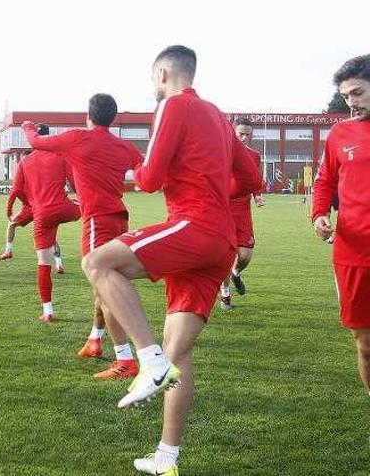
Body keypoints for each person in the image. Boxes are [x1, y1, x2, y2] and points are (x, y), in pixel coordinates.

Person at [80, 46, 261, 475]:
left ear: (162, 74)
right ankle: (166, 459)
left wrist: (138, 172)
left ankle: (148, 360)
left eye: (152, 81)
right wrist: (213, 183)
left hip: (194, 225)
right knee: (181, 357)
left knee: (97, 263)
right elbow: (252, 177)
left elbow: (150, 178)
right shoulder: (219, 116)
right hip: (221, 243)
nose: (153, 88)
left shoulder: (173, 105)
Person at [22, 93, 143, 379]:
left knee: (106, 288)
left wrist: (27, 125)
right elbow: (144, 170)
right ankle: (94, 340)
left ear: (88, 116)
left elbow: (37, 143)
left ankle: (125, 359)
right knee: (106, 284)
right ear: (113, 118)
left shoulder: (78, 138)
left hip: (97, 222)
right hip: (119, 219)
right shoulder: (122, 146)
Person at [313, 54, 370, 395]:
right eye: (346, 95)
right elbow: (324, 181)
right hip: (354, 253)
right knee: (365, 343)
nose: (351, 102)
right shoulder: (339, 134)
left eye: (358, 93)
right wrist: (319, 213)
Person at [13, 140, 80, 322]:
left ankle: (48, 310)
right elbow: (75, 183)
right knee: (87, 209)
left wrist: (24, 206)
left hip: (41, 214)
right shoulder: (60, 156)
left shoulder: (25, 162)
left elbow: (17, 190)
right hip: (63, 208)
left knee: (43, 263)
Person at [0, 126, 66, 273]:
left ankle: (9, 250)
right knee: (51, 235)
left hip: (32, 207)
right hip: (46, 205)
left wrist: (8, 209)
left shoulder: (26, 164)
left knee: (12, 224)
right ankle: (59, 264)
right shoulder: (55, 157)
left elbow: (15, 190)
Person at [220, 117, 265, 310]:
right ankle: (225, 296)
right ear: (233, 133)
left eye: (248, 134)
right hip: (222, 207)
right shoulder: (220, 152)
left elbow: (254, 179)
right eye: (241, 134)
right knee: (224, 254)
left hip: (242, 209)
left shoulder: (254, 156)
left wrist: (258, 195)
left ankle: (236, 273)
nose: (244, 138)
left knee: (245, 255)